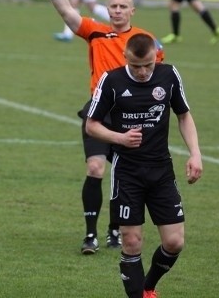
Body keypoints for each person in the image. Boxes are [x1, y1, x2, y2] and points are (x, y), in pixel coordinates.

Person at [38, 0, 164, 255]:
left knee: (124, 175)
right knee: (95, 168)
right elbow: (66, 11)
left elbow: (158, 76)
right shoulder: (96, 31)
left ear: (132, 11)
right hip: (98, 110)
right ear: (107, 9)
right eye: (113, 6)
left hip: (132, 114)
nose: (117, 10)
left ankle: (114, 230)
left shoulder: (146, 40)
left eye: (123, 6)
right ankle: (91, 235)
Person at [86, 33, 203, 298]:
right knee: (131, 241)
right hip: (127, 172)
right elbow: (91, 125)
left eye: (148, 65)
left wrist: (195, 154)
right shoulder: (111, 81)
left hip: (161, 170)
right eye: (137, 66)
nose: (142, 71)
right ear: (125, 56)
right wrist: (120, 138)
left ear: (157, 57)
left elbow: (183, 115)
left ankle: (147, 287)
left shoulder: (169, 75)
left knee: (174, 242)